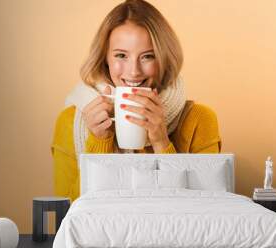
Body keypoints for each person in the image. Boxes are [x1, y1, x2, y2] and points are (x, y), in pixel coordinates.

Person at [51, 0, 221, 201]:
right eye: (121, 55)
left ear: (164, 58)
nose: (134, 72)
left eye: (147, 56)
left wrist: (161, 141)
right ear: (105, 58)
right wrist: (100, 141)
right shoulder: (70, 122)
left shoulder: (200, 120)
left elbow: (208, 211)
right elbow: (69, 214)